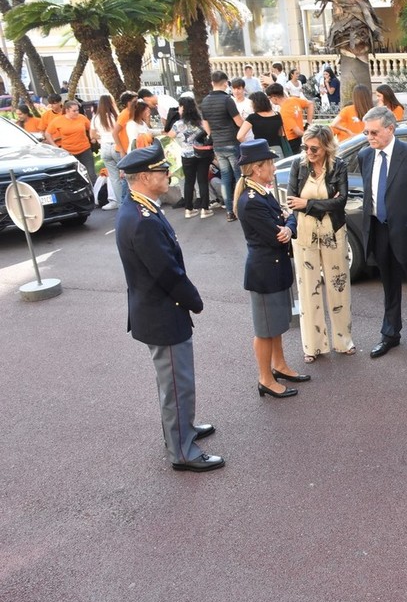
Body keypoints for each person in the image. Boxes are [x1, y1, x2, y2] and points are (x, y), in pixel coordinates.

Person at [114, 143, 223, 472]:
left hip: (157, 310)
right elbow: (166, 272)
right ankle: (183, 451)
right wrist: (194, 301)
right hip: (163, 313)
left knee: (174, 382)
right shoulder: (142, 218)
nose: (168, 176)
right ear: (146, 177)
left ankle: (182, 430)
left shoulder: (139, 207)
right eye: (163, 171)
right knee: (177, 385)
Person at [359, 106, 407, 364]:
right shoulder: (365, 156)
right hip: (378, 229)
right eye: (366, 132)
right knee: (389, 285)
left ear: (390, 129)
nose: (369, 137)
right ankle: (390, 333)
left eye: (374, 132)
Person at [235, 139, 308, 399]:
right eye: (270, 164)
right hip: (264, 272)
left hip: (273, 268)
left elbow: (288, 219)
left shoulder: (262, 193)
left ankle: (280, 365)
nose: (274, 168)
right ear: (257, 168)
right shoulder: (251, 200)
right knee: (265, 331)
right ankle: (265, 379)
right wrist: (287, 226)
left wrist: (288, 226)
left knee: (275, 325)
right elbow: (276, 234)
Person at [285, 124, 356, 364]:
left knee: (338, 286)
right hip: (305, 234)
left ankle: (343, 341)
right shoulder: (298, 165)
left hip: (333, 232)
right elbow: (292, 201)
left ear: (326, 147)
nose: (308, 152)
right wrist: (324, 203)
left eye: (314, 148)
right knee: (308, 290)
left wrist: (307, 204)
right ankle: (312, 346)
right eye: (305, 147)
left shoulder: (339, 166)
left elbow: (341, 202)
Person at [201, 71, 244, 222]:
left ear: (212, 83)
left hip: (218, 145)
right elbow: (239, 122)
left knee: (225, 177)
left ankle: (229, 211)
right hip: (231, 142)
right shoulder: (227, 100)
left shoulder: (205, 101)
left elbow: (206, 124)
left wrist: (212, 136)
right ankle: (240, 209)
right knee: (238, 176)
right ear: (225, 83)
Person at [168, 96, 214, 219]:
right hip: (201, 153)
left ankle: (189, 209)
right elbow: (209, 133)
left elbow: (170, 136)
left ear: (183, 108)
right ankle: (205, 209)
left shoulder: (178, 124)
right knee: (202, 181)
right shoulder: (201, 122)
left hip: (186, 155)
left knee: (189, 182)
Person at [45, 99, 95, 184]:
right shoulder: (58, 120)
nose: (77, 112)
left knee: (91, 174)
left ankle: (95, 190)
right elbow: (47, 133)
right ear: (67, 111)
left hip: (85, 150)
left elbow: (91, 128)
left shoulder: (82, 118)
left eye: (77, 110)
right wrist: (55, 146)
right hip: (69, 152)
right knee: (74, 175)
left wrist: (92, 137)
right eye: (74, 111)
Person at [266, 82, 314, 154]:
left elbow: (297, 132)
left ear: (275, 98)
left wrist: (310, 135)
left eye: (269, 98)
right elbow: (310, 104)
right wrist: (308, 123)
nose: (270, 100)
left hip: (292, 141)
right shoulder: (293, 100)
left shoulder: (284, 112)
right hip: (301, 136)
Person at [91, 94, 121, 210]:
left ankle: (120, 203)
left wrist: (103, 136)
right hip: (116, 145)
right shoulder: (116, 116)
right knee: (125, 175)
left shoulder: (96, 118)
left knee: (114, 177)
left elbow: (92, 135)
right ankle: (130, 201)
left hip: (104, 147)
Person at [238, 91, 287, 157]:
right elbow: (280, 133)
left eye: (251, 103)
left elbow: (240, 136)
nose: (250, 105)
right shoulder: (277, 115)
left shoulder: (252, 117)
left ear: (255, 104)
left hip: (260, 149)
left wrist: (251, 146)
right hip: (277, 148)